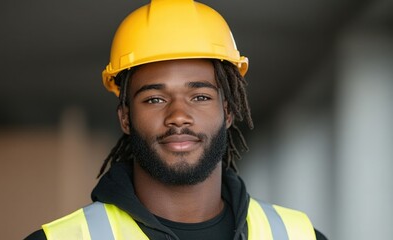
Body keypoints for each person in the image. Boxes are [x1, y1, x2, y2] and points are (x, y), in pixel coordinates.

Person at [25, 0, 327, 239]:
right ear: (126, 117)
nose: (178, 116)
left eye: (200, 97)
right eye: (155, 99)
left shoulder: (297, 236)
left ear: (229, 111)